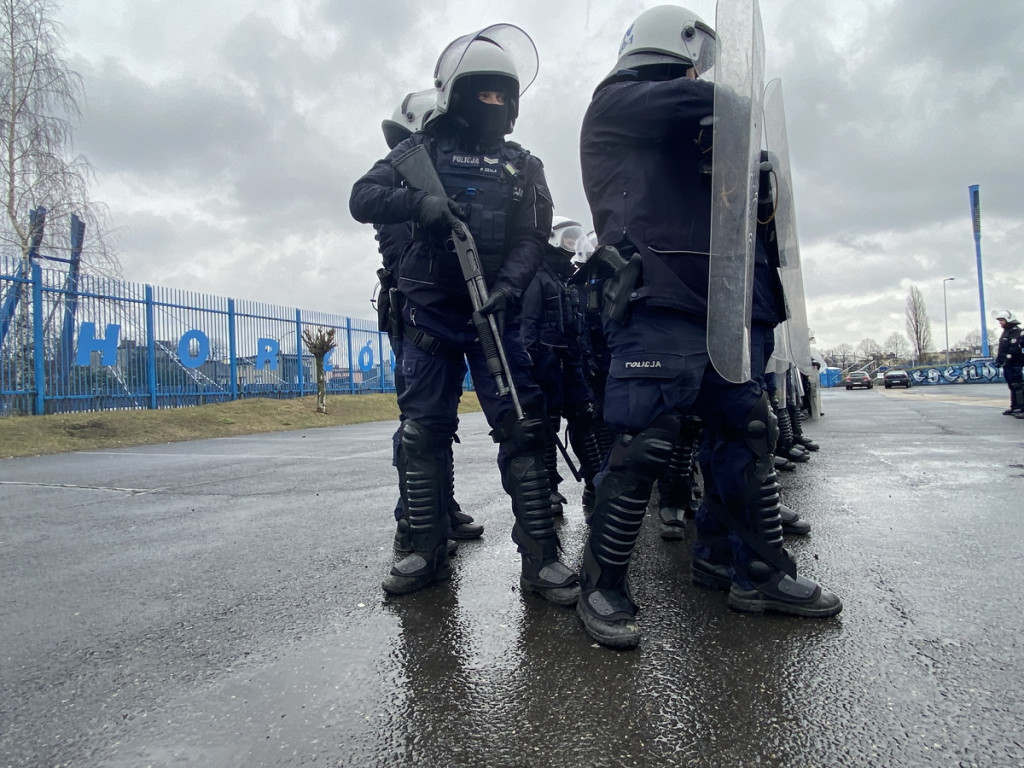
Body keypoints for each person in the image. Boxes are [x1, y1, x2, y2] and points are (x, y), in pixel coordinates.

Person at [575, 5, 841, 649]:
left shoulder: (699, 122)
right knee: (644, 442)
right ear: (672, 51)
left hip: (723, 307)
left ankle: (748, 569)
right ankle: (602, 585)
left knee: (746, 434)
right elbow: (700, 101)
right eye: (695, 64)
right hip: (658, 300)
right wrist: (727, 106)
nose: (701, 74)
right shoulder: (617, 103)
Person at [350, 25, 579, 606]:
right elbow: (362, 198)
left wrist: (507, 287)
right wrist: (419, 202)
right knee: (423, 432)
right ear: (458, 94)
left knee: (525, 429)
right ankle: (424, 549)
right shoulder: (418, 153)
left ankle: (542, 558)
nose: (493, 103)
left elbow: (532, 238)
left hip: (493, 315)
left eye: (503, 94)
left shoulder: (524, 166)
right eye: (484, 92)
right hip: (429, 315)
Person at [377, 91, 484, 555]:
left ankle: (443, 506)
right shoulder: (402, 193)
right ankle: (412, 518)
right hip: (414, 316)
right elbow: (403, 259)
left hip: (436, 313)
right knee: (419, 423)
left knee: (441, 418)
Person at [519, 217, 604, 516]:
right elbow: (528, 323)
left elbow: (577, 328)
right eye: (567, 238)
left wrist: (585, 359)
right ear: (552, 239)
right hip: (546, 364)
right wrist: (528, 364)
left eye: (574, 238)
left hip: (571, 364)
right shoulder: (537, 277)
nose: (572, 243)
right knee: (547, 427)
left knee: (583, 420)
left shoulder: (564, 279)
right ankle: (548, 488)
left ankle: (596, 482)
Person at [993, 310, 1024, 416]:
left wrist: (1007, 358)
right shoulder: (1006, 332)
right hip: (1007, 364)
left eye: (1002, 320)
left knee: (1017, 385)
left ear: (1009, 319)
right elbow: (1002, 348)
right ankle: (1014, 407)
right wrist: (999, 360)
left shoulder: (1017, 331)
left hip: (1015, 363)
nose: (1000, 322)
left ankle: (1021, 407)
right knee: (1011, 385)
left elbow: (1014, 349)